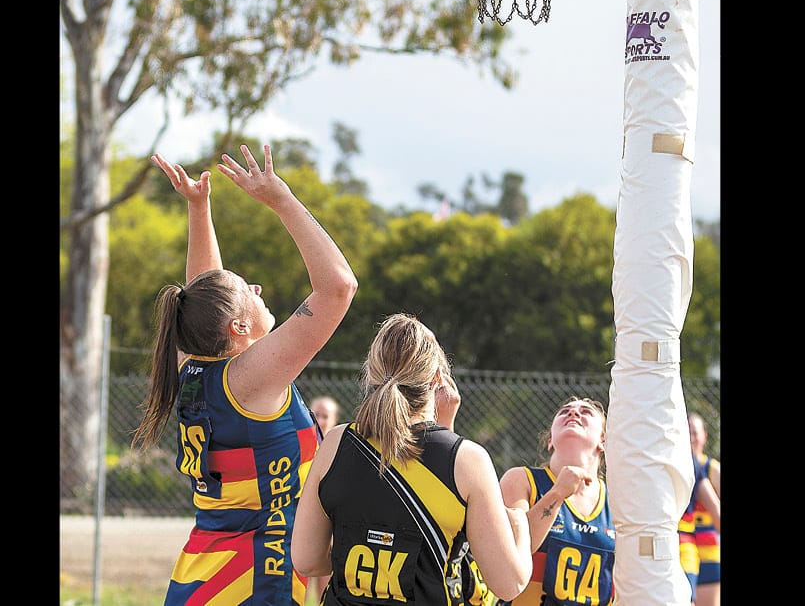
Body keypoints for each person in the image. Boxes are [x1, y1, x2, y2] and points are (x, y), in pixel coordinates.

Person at [131, 144, 359, 606]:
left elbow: (203, 293)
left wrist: (200, 208)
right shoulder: (249, 379)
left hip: (200, 578)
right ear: (237, 328)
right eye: (246, 290)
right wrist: (281, 199)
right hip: (252, 584)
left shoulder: (194, 367)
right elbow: (339, 286)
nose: (256, 287)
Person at [292, 313, 534, 605]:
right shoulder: (467, 460)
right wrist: (520, 527)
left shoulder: (337, 442)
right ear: (436, 378)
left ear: (371, 372)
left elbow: (306, 560)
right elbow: (510, 584)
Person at [496, 397, 615, 606]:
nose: (573, 413)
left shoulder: (616, 499)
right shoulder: (522, 480)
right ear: (550, 440)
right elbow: (509, 555)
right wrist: (558, 493)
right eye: (564, 411)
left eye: (585, 412)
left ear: (603, 442)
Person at [678, 414, 721, 604]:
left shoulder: (712, 469)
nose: (691, 438)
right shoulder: (681, 462)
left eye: (695, 433)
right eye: (687, 432)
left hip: (709, 548)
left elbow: (716, 510)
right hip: (687, 544)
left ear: (704, 436)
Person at [306, 395, 343, 603]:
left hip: (330, 527)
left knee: (325, 587)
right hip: (298, 526)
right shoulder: (299, 448)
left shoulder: (341, 451)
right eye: (315, 415)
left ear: (335, 420)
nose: (319, 420)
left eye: (325, 416)